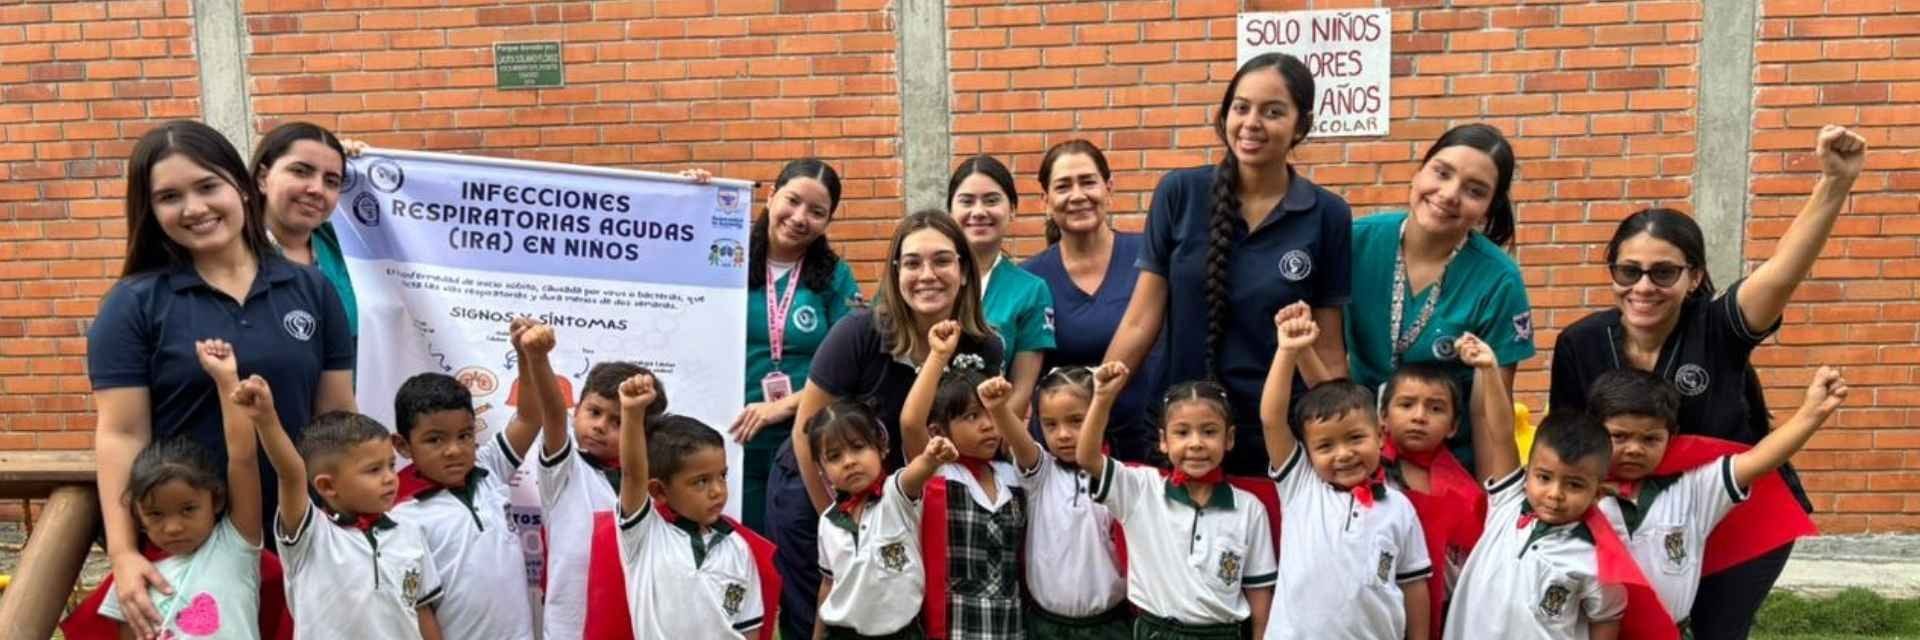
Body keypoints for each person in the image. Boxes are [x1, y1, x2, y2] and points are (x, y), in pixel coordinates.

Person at [1549, 125, 1867, 638]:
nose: (1644, 287)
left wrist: (1833, 183)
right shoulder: (1580, 343)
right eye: (1628, 271)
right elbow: (1566, 439)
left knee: (1719, 628)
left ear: (1694, 277)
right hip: (1638, 511)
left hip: (1739, 507)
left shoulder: (1718, 326)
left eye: (1663, 273)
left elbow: (1783, 272)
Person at [90, 120, 356, 633]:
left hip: (303, 537)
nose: (193, 208)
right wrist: (123, 553)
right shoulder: (133, 304)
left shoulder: (312, 290)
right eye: (169, 196)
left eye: (207, 186)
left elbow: (337, 417)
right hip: (194, 544)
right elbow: (121, 435)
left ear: (240, 184)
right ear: (150, 211)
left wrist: (349, 520)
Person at [1106, 53, 1352, 474]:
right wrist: (1095, 400)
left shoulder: (1327, 213)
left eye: (1273, 112)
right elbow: (1139, 321)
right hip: (1183, 432)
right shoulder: (1179, 193)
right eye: (1241, 107)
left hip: (1275, 440)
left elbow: (1328, 348)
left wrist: (1343, 435)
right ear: (1225, 116)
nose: (1252, 122)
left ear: (1301, 126)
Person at [770, 210, 1006, 638]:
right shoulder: (856, 333)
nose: (926, 274)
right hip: (819, 490)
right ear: (895, 273)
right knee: (826, 616)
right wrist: (838, 519)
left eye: (942, 261)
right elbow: (806, 434)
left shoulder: (984, 345)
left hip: (903, 500)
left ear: (965, 272)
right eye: (912, 262)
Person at [1589, 368, 1842, 632]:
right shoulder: (1575, 495)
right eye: (1619, 436)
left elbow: (1760, 459)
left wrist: (1813, 412)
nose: (1634, 449)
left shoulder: (1693, 488)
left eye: (1650, 438)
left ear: (1671, 437)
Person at [1344, 124, 1531, 465]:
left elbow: (1487, 414)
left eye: (1475, 191)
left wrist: (1492, 508)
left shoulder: (1498, 279)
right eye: (1441, 173)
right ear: (1418, 172)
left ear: (1489, 208)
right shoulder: (1354, 243)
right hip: (1355, 454)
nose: (1448, 194)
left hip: (1445, 469)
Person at [1258, 313, 1432, 640]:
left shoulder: (1399, 507)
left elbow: (1414, 586)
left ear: (1381, 435)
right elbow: (1271, 418)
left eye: (1355, 438)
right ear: (1307, 452)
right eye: (1325, 445)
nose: (1343, 454)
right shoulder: (1301, 486)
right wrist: (1288, 352)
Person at [1078, 364, 1277, 638]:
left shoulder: (1249, 508)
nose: (1196, 444)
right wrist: (1101, 399)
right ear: (1163, 441)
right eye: (1182, 433)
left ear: (1229, 438)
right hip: (1156, 630)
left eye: (1209, 432)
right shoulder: (1141, 489)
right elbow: (1087, 458)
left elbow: (1259, 593)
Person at [388, 319, 554, 640]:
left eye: (464, 436)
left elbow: (530, 417)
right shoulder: (401, 514)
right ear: (403, 446)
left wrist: (524, 356)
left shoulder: (488, 467)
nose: (454, 450)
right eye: (435, 440)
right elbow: (418, 609)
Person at [1441, 412, 1669, 640]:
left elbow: (1606, 618)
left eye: (1574, 485)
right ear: (1527, 472)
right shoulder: (1506, 504)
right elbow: (1501, 434)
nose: (1555, 494)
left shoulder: (1597, 558)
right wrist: (1491, 375)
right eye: (1544, 478)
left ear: (1597, 494)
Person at [94, 339, 266, 640]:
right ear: (137, 512)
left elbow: (243, 458)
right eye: (156, 514)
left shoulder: (236, 545)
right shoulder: (134, 579)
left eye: (188, 509)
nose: (173, 527)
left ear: (216, 499)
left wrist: (227, 380)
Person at [729, 159, 864, 532]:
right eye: (792, 201)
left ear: (827, 222)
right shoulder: (726, 258)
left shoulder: (837, 276)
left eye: (817, 211)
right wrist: (691, 196)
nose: (800, 217)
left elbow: (851, 368)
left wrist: (782, 408)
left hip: (805, 440)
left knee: (794, 551)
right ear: (770, 197)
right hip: (733, 439)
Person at [249, 386, 443, 639]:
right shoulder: (310, 536)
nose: (390, 478)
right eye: (374, 470)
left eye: (391, 465)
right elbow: (291, 473)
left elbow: (421, 609)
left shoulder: (409, 529)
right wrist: (266, 419)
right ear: (327, 486)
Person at [1020, 140, 1162, 462]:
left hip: (1145, 448)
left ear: (1108, 188)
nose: (1077, 195)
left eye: (1088, 182)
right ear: (1045, 200)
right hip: (1064, 459)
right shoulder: (1029, 280)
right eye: (1063, 186)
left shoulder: (1151, 261)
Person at [611, 372, 768, 638]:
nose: (718, 490)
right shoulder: (645, 535)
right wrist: (632, 412)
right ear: (658, 490)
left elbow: (749, 628)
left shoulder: (738, 548)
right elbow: (633, 474)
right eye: (701, 482)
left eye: (722, 476)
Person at [899, 321, 1029, 637]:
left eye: (991, 414)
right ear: (938, 431)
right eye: (972, 416)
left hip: (1009, 625)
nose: (988, 425)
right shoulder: (938, 473)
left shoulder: (1013, 477)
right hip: (956, 625)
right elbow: (910, 422)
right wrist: (938, 356)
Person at [1375, 353, 1510, 638]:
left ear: (1453, 426)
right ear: (1383, 416)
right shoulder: (1365, 474)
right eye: (1406, 404)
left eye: (1435, 408)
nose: (1419, 416)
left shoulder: (1466, 493)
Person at [810, 401, 952, 639]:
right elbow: (828, 583)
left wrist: (930, 458)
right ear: (822, 470)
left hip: (901, 633)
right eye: (834, 457)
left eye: (858, 447)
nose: (849, 461)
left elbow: (914, 474)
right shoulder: (828, 521)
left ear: (882, 447)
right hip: (843, 632)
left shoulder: (896, 495)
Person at [1005, 366, 1130, 637]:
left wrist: (1104, 397)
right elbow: (1018, 441)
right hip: (1045, 625)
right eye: (1051, 424)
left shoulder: (1118, 477)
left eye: (1076, 421)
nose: (1063, 434)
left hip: (1108, 625)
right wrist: (998, 409)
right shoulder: (1040, 474)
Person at [534, 360, 654, 640]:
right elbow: (552, 412)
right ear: (576, 410)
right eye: (594, 412)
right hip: (569, 627)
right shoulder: (564, 470)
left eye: (618, 421)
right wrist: (536, 356)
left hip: (633, 622)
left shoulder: (650, 483)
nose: (600, 426)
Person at [949, 154, 1056, 414]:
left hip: (992, 436)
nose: (979, 211)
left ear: (1013, 209)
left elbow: (1021, 391)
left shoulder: (1030, 290)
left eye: (991, 200)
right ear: (950, 211)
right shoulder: (926, 278)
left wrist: (997, 438)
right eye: (967, 201)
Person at [250, 122, 359, 336]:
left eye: (331, 181)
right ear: (263, 178)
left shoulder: (345, 248)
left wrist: (367, 165)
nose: (317, 189)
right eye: (300, 172)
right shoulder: (232, 252)